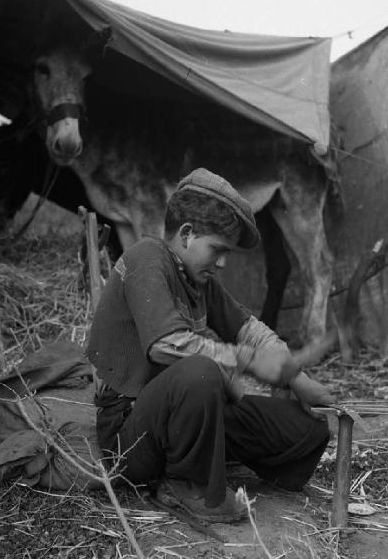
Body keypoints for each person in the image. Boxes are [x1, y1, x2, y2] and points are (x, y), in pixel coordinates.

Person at [87, 167, 337, 523]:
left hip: (188, 420)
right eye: (217, 250)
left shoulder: (200, 281)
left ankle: (206, 456)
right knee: (201, 373)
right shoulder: (146, 258)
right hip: (130, 432)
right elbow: (165, 344)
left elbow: (249, 329)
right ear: (187, 234)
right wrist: (247, 361)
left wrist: (296, 377)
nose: (222, 263)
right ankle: (183, 483)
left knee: (306, 429)